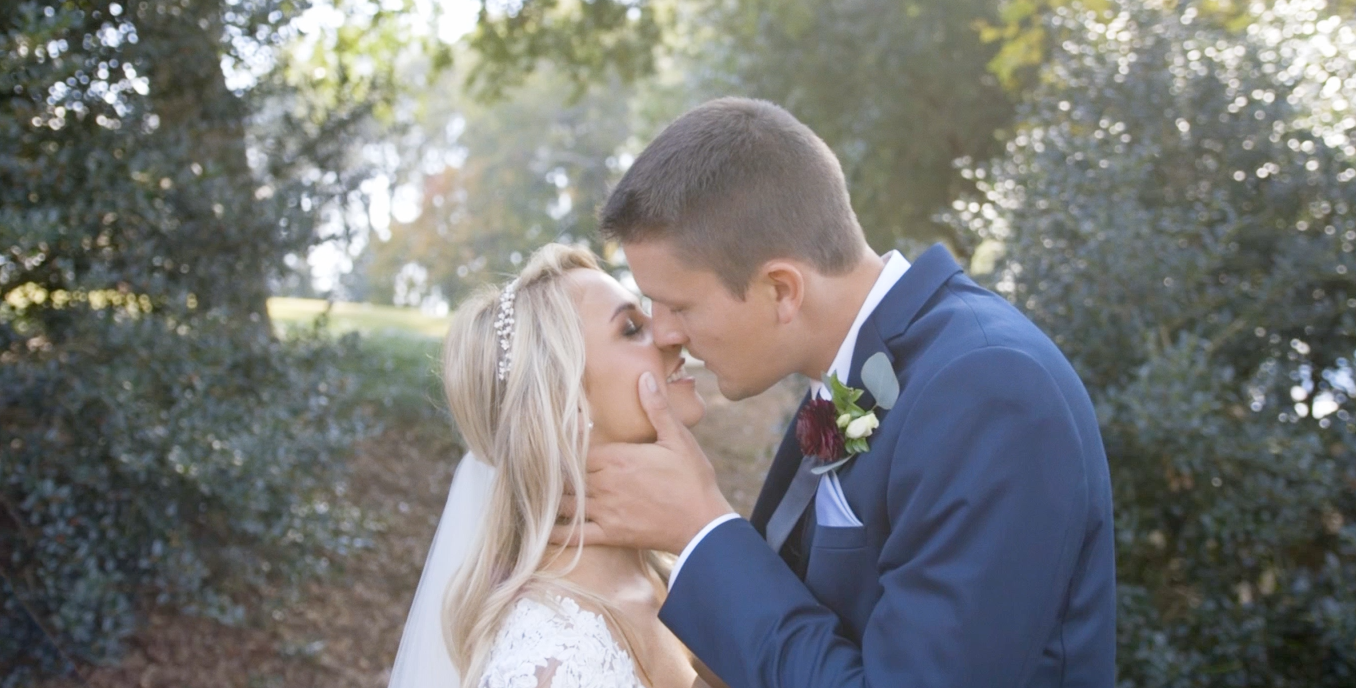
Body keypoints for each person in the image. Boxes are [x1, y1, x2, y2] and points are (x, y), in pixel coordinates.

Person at [560, 97, 1117, 687]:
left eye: (678, 304)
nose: (665, 332)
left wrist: (702, 530)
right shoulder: (853, 378)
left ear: (782, 290)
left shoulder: (989, 391)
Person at [390, 244, 714, 688]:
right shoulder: (553, 664)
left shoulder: (674, 577)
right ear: (567, 405)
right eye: (632, 328)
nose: (669, 335)